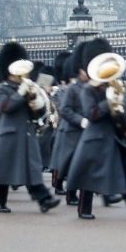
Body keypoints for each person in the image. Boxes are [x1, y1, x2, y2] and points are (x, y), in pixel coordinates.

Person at [66, 38, 126, 220]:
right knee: (88, 176)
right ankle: (83, 209)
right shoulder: (88, 89)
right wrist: (108, 102)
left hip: (112, 137)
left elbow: (122, 110)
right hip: (94, 138)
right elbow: (91, 114)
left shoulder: (112, 87)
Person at [0, 42, 60, 214]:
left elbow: (42, 113)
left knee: (32, 169)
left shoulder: (28, 87)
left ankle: (44, 199)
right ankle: (1, 201)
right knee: (5, 171)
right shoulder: (2, 89)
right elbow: (2, 108)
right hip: (9, 135)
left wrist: (37, 106)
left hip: (27, 133)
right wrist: (20, 94)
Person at [49, 43, 88, 204]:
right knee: (67, 162)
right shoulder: (67, 89)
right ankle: (65, 189)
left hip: (81, 130)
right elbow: (63, 108)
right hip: (67, 129)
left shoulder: (85, 87)